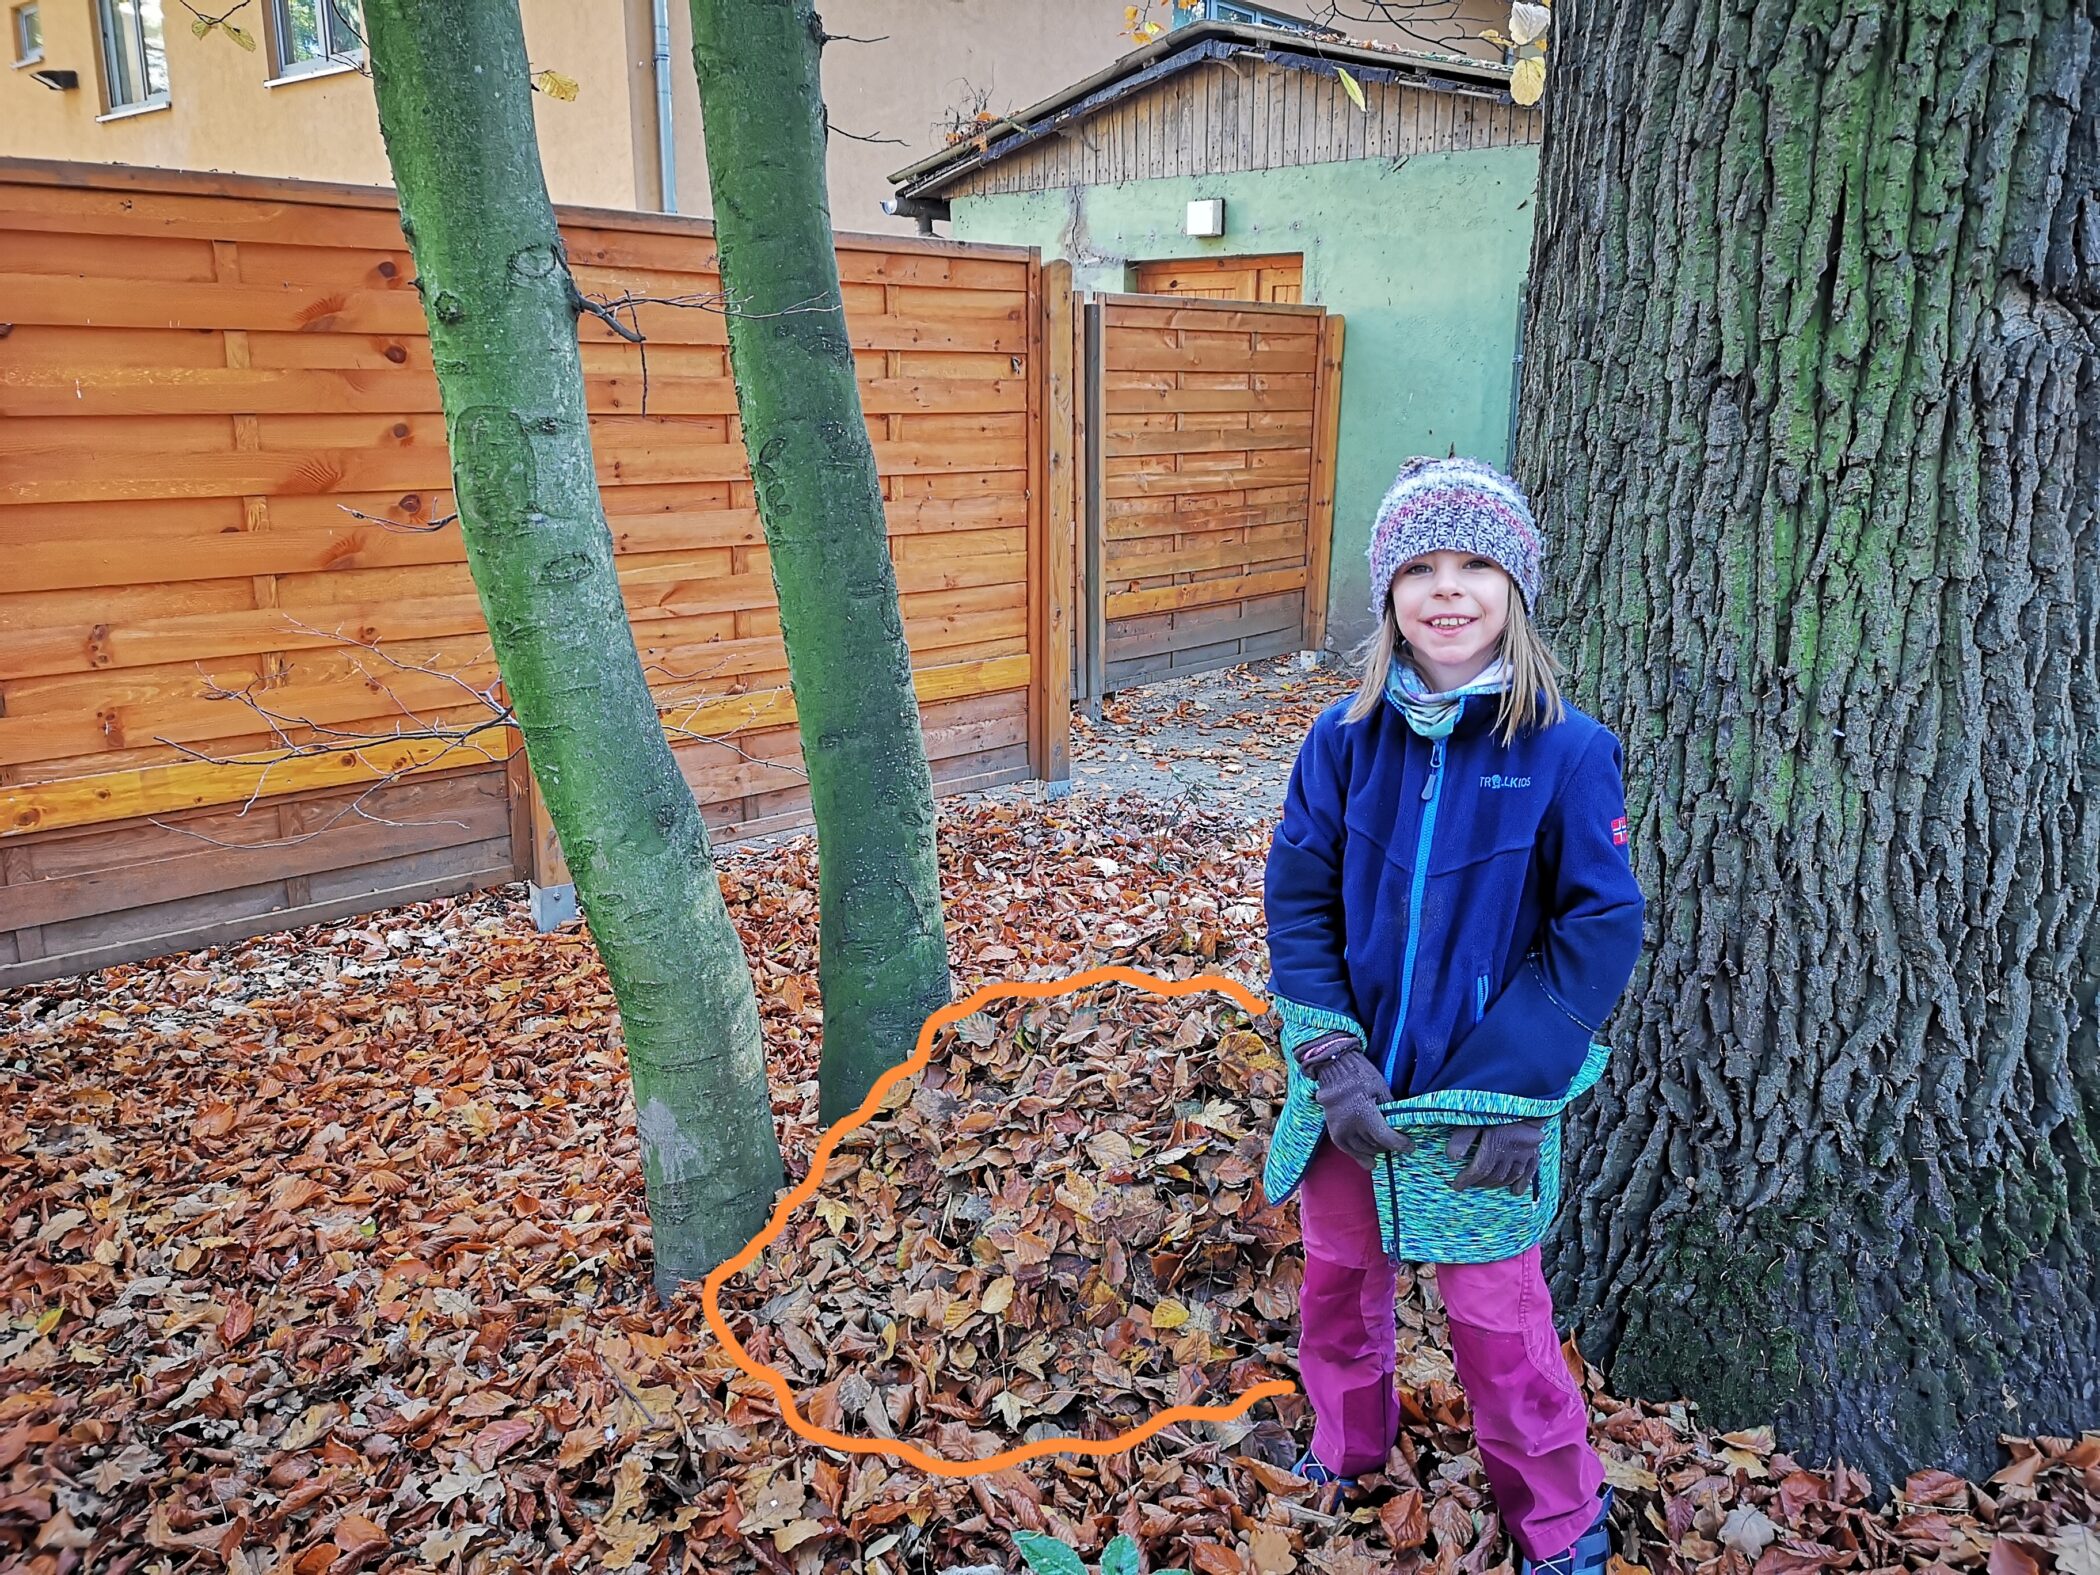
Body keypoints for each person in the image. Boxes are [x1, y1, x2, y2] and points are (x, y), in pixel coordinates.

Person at [1261, 456, 1645, 1575]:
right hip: (1355, 1096)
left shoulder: (1568, 750)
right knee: (1336, 1284)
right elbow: (1298, 897)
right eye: (1421, 566)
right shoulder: (1342, 739)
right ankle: (1347, 1444)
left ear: (1514, 585)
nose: (1448, 589)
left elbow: (1596, 930)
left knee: (1499, 1327)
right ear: (1387, 592)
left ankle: (1563, 1525)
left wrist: (1519, 1091)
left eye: (1475, 563)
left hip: (1484, 1114)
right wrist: (1329, 1054)